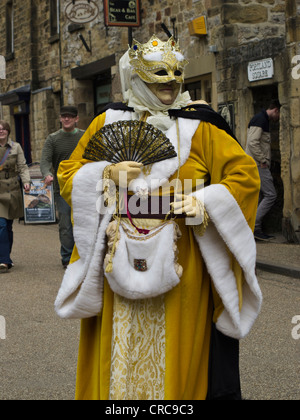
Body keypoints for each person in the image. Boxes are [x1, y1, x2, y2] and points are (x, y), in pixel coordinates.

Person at [55, 36, 262, 400]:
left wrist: (206, 203)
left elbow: (244, 176)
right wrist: (106, 173)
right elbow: (70, 174)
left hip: (183, 264)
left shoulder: (203, 126)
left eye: (175, 74)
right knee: (119, 353)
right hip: (117, 258)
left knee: (181, 354)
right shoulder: (108, 121)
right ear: (136, 77)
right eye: (159, 74)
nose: (170, 82)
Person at [40, 106, 85, 268]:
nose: (67, 119)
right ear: (60, 118)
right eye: (64, 116)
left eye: (70, 117)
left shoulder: (84, 136)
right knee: (65, 223)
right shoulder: (53, 139)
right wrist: (47, 174)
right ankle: (67, 257)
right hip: (62, 188)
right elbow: (45, 160)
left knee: (83, 222)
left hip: (83, 187)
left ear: (76, 119)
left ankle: (82, 255)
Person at [246, 100, 281, 241]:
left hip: (256, 164)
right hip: (258, 165)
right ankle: (254, 227)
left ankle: (254, 227)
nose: (278, 119)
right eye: (279, 115)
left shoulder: (261, 119)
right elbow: (252, 142)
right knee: (271, 194)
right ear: (276, 110)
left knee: (260, 196)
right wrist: (263, 160)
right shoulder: (260, 119)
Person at [0, 120, 31, 273]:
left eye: (4, 129)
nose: (1, 131)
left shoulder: (15, 147)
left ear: (8, 131)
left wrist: (26, 181)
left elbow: (23, 166)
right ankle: (4, 260)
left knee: (8, 226)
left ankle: (6, 256)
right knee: (1, 225)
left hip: (12, 190)